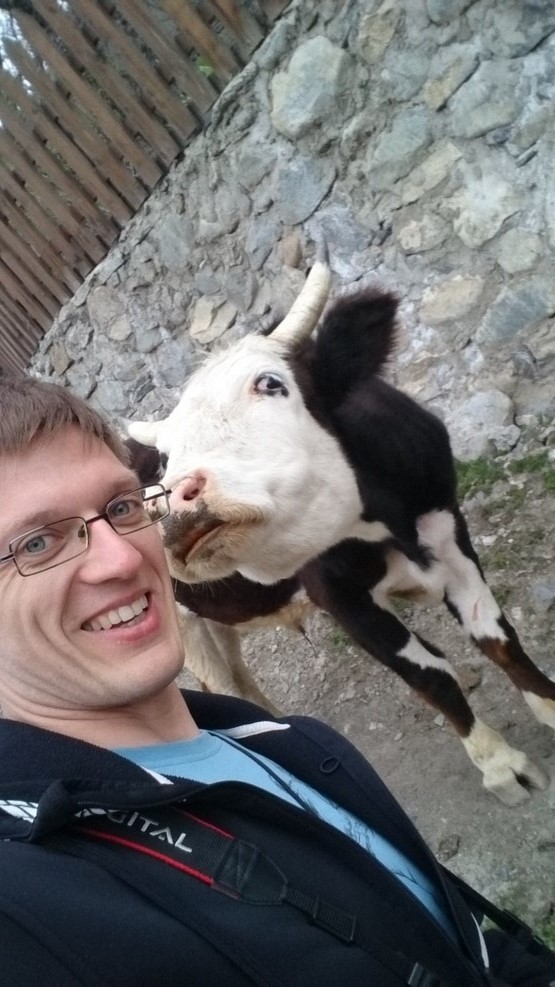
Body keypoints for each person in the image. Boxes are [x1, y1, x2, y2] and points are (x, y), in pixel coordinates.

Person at [0, 376, 553, 987]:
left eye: (124, 507)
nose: (125, 559)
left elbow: (452, 940)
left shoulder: (294, 743)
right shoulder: (30, 901)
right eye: (37, 543)